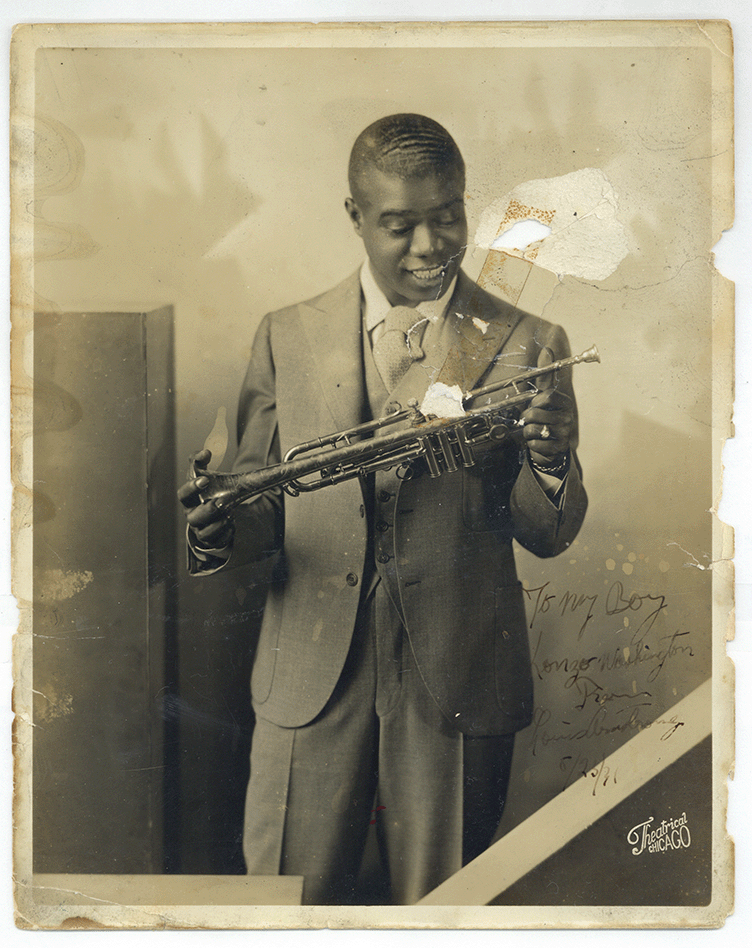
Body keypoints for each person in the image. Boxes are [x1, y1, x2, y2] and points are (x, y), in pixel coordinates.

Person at [178, 113, 587, 905]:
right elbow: (261, 510)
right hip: (307, 677)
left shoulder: (525, 337)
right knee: (283, 910)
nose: (431, 246)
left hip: (457, 677)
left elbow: (545, 534)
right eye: (401, 225)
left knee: (447, 912)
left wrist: (549, 460)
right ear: (355, 218)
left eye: (448, 217)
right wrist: (219, 530)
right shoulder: (283, 337)